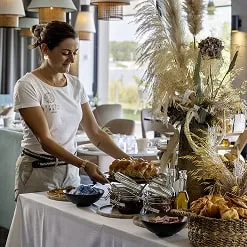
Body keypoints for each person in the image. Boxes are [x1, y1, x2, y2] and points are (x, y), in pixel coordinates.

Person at [13, 21, 130, 199]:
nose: (72, 59)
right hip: (38, 172)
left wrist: (128, 161)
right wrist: (83, 165)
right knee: (39, 226)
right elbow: (45, 140)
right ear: (45, 50)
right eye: (65, 53)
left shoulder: (75, 85)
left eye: (75, 53)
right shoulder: (27, 85)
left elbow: (96, 133)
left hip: (71, 172)